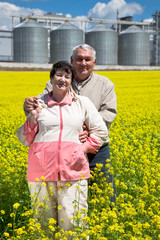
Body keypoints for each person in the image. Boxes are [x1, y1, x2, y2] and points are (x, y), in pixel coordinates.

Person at [17, 61, 109, 231]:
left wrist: (83, 148)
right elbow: (24, 139)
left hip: (73, 171)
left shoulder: (82, 103)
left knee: (74, 225)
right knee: (44, 226)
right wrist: (32, 118)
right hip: (41, 173)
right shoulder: (38, 103)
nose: (63, 79)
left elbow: (101, 131)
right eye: (59, 75)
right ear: (51, 78)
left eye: (67, 76)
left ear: (71, 81)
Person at [24, 44, 117, 203]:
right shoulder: (60, 80)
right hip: (66, 150)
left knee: (105, 191)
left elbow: (109, 112)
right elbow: (41, 105)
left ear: (94, 62)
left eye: (87, 59)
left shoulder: (105, 84)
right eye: (79, 59)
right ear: (72, 60)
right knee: (68, 197)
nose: (83, 63)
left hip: (97, 148)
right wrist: (28, 105)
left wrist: (87, 130)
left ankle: (106, 220)